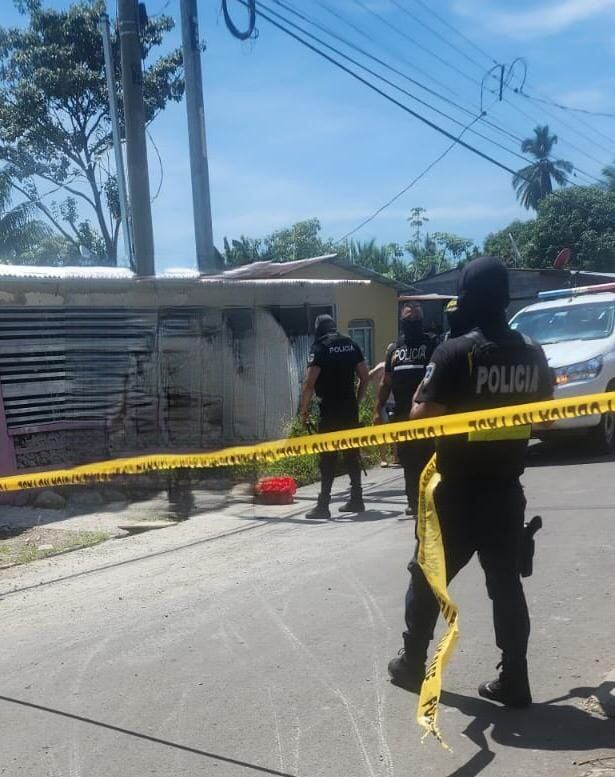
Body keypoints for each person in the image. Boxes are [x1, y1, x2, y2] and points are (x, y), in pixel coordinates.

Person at [388, 257, 553, 708]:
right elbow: (547, 420)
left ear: (468, 299)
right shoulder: (532, 352)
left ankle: (411, 662)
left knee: (426, 575)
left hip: (456, 492)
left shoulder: (456, 352)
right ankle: (515, 680)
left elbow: (420, 419)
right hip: (505, 490)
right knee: (504, 584)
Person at [299, 314, 369, 520]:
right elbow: (365, 377)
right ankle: (357, 498)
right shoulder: (351, 344)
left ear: (318, 329)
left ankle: (323, 505)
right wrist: (358, 399)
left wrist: (303, 412)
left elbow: (309, 383)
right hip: (349, 408)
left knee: (327, 458)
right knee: (351, 455)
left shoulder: (319, 348)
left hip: (329, 410)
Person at [373, 302, 437, 516]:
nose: (412, 322)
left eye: (415, 318)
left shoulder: (431, 344)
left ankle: (432, 498)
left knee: (430, 458)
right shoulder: (394, 348)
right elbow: (386, 382)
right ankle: (413, 500)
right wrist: (377, 409)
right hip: (401, 415)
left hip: (427, 413)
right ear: (401, 321)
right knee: (408, 461)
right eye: (408, 318)